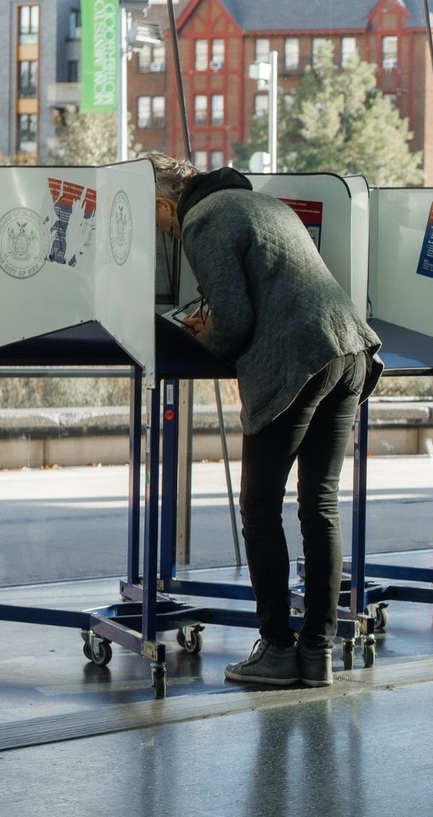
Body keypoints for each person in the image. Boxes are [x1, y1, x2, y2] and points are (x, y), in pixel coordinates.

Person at [148, 153, 382, 688]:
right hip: (350, 351)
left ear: (167, 204)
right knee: (319, 504)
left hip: (296, 360)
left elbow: (236, 322)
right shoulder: (260, 203)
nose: (166, 231)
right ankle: (318, 651)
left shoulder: (202, 220)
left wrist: (200, 335)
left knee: (259, 507)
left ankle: (277, 648)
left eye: (161, 222)